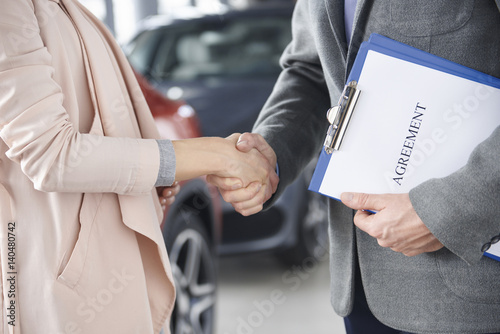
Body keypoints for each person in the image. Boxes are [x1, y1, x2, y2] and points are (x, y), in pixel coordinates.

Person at [208, 0, 500, 333]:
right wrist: (269, 153)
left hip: (470, 291)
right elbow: (314, 73)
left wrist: (443, 211)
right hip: (358, 285)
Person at [0, 0, 276, 333]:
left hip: (97, 277)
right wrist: (219, 155)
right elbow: (52, 154)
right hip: (50, 283)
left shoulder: (65, 7)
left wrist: (151, 175)